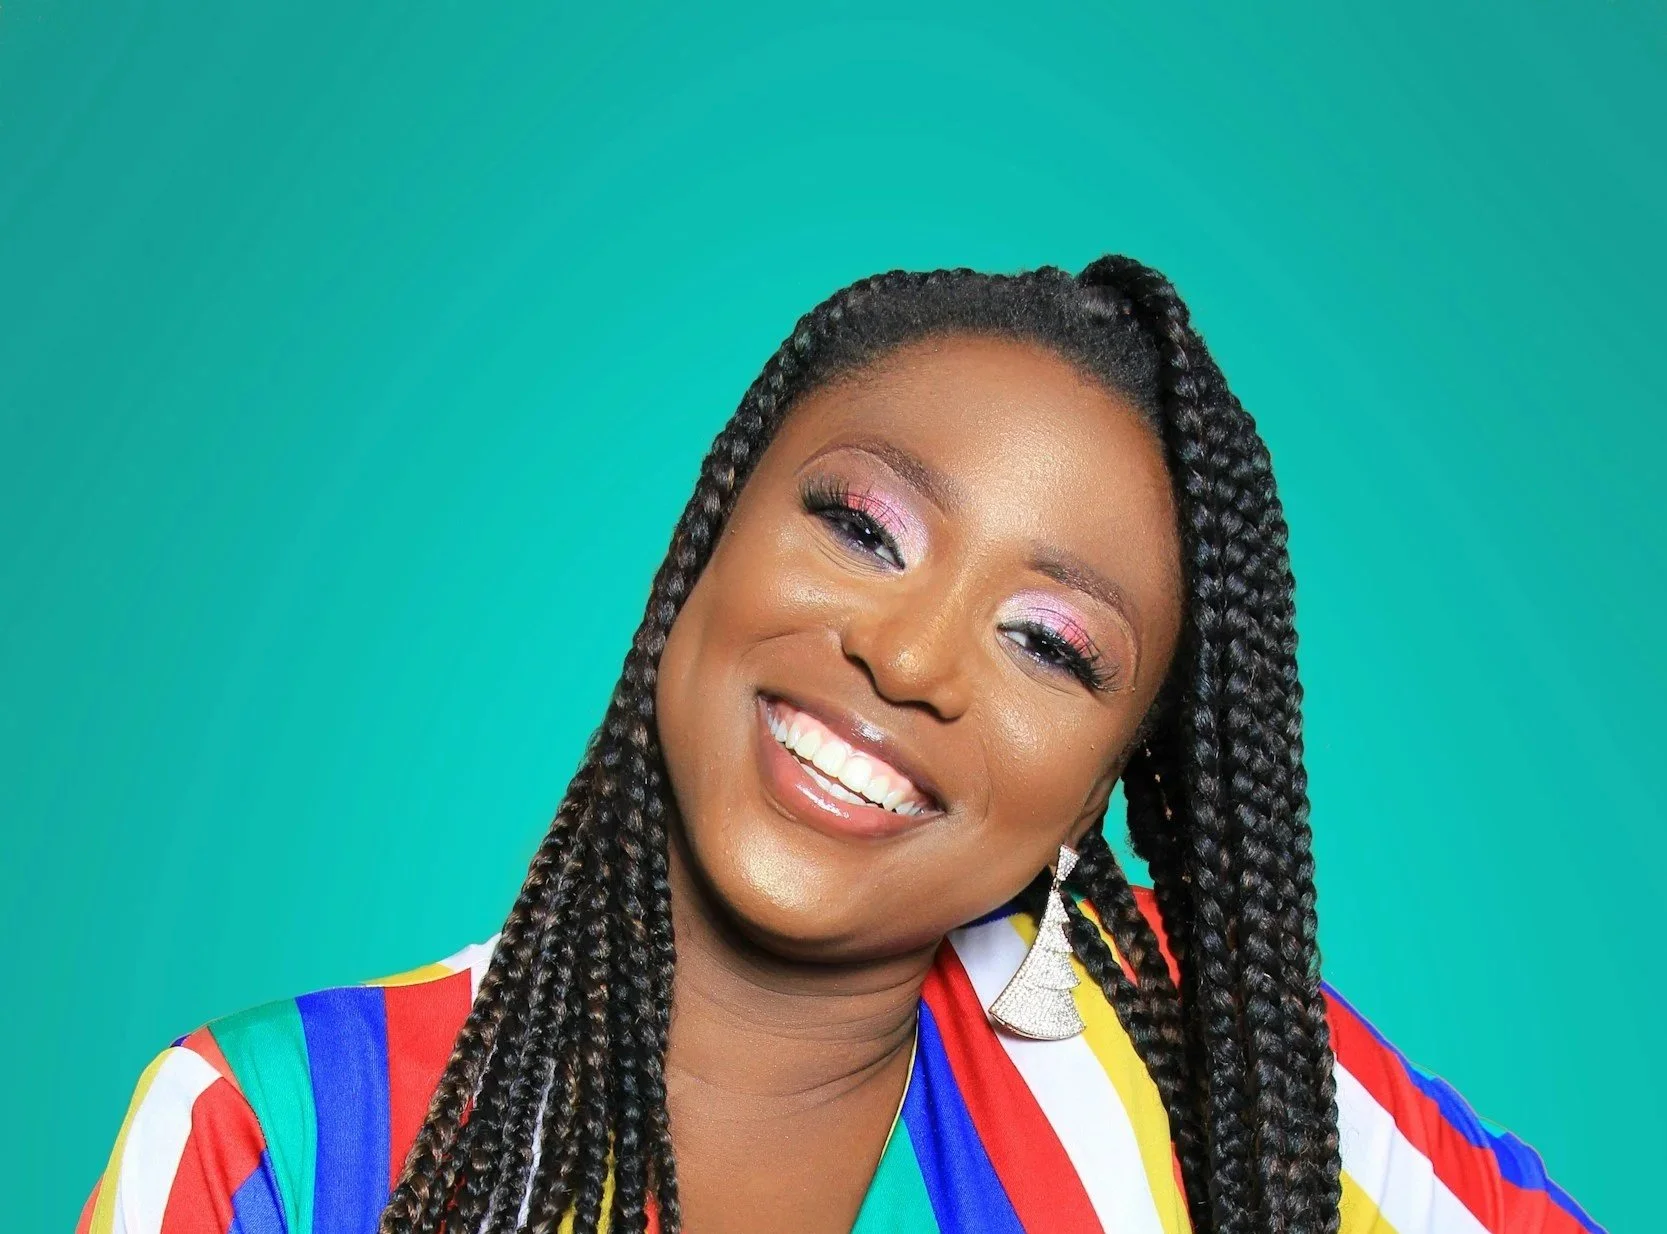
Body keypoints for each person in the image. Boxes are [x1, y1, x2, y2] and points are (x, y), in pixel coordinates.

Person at [77, 258, 1604, 1234]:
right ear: (710, 530)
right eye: (863, 525)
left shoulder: (1198, 1076)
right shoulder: (275, 1138)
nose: (911, 655)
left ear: (1102, 781)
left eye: (1050, 646)